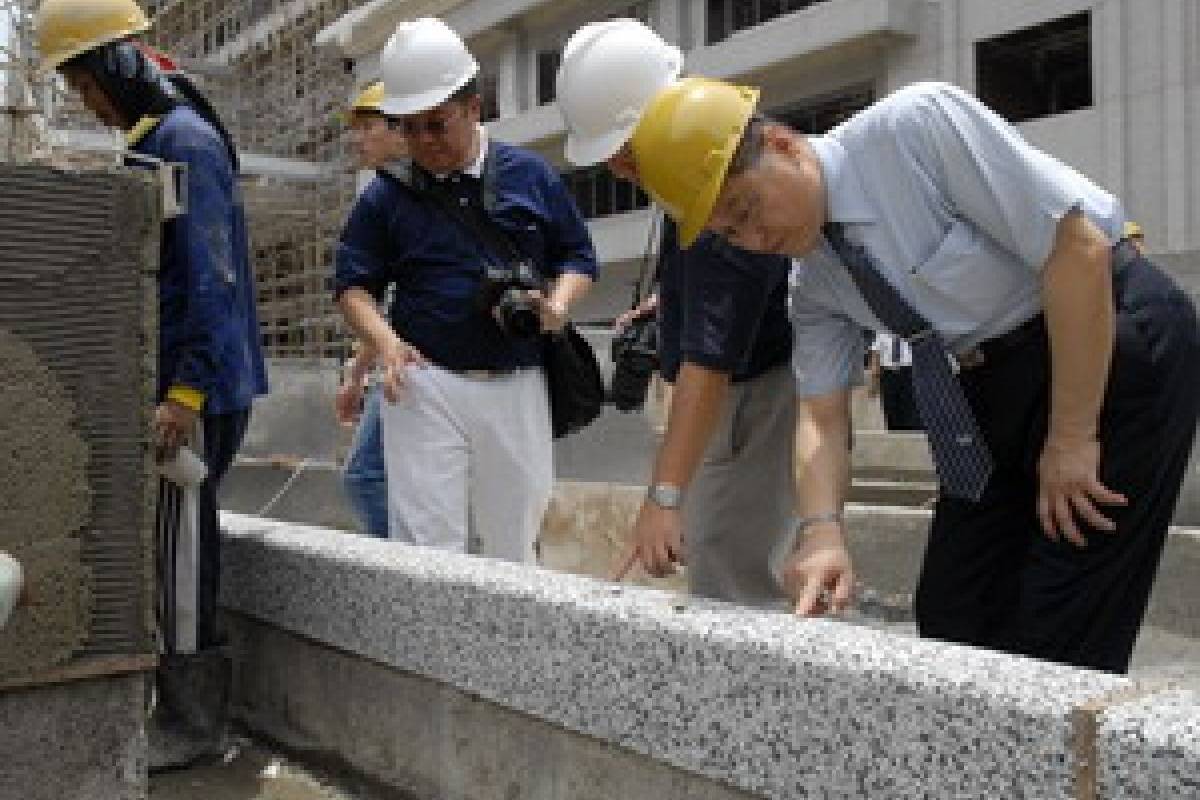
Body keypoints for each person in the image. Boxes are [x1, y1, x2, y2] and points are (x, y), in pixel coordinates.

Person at [626, 76, 1200, 673]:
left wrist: (1073, 439)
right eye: (731, 235)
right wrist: (822, 531)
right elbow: (820, 416)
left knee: (1059, 629)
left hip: (1106, 336)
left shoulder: (914, 131)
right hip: (989, 377)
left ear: (784, 146)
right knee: (955, 612)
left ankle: (1045, 759)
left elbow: (1079, 250)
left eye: (747, 210)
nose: (756, 238)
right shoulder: (815, 283)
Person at [37, 0, 268, 763]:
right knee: (178, 550)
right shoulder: (168, 132)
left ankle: (194, 726)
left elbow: (211, 276)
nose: (87, 105)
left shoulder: (181, 141)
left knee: (182, 561)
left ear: (113, 67)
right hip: (191, 384)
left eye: (83, 86)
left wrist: (184, 393)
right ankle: (181, 709)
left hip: (192, 392)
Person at [335, 18, 596, 563]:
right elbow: (353, 287)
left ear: (473, 107)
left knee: (514, 542)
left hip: (518, 379)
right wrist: (385, 346)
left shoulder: (530, 175)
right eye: (410, 129)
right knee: (428, 548)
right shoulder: (385, 198)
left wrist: (559, 305)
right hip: (427, 381)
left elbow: (577, 255)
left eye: (437, 124)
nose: (425, 143)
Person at [557, 19, 794, 605]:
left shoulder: (717, 187)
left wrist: (663, 499)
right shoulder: (699, 166)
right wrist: (674, 302)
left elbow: (709, 366)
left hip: (750, 395)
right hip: (740, 392)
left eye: (626, 156)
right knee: (726, 564)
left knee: (731, 572)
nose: (619, 172)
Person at [333, 82, 409, 539]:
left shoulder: (403, 195)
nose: (358, 139)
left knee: (365, 476)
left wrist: (363, 368)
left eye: (368, 127)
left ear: (401, 129)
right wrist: (359, 368)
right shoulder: (384, 196)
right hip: (398, 357)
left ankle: (405, 567)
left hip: (414, 363)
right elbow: (380, 299)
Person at [866, 332, 921, 431]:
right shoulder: (882, 331)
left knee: (910, 406)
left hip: (909, 371)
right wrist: (873, 377)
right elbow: (875, 352)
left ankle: (911, 433)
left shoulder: (912, 331)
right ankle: (894, 432)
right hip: (888, 372)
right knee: (890, 406)